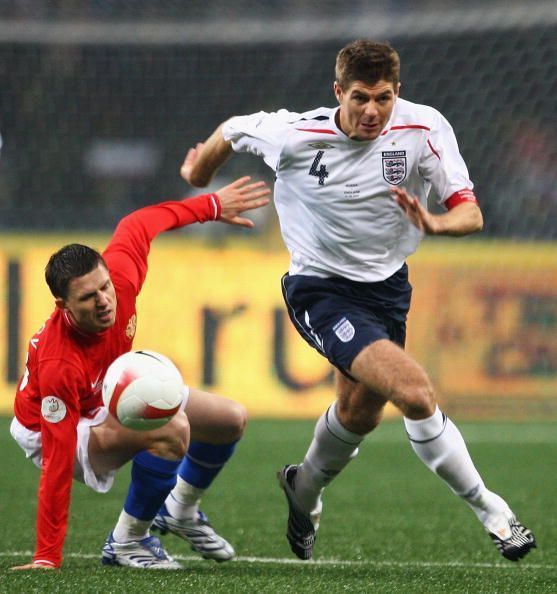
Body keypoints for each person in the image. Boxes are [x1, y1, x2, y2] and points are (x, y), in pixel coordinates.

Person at [179, 40, 537, 562]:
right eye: (361, 98)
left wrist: (436, 222)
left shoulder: (424, 129)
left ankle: (302, 491)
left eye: (384, 98)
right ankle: (494, 512)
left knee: (359, 413)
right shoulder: (295, 135)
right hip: (319, 289)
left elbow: (471, 213)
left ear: (399, 93)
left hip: (388, 290)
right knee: (414, 391)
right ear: (338, 92)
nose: (373, 111)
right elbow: (233, 128)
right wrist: (197, 176)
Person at [10, 176, 270, 570]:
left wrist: (212, 206)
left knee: (229, 420)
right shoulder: (58, 364)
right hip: (55, 427)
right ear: (62, 304)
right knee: (174, 429)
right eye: (87, 297)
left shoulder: (121, 279)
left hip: (103, 391)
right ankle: (128, 542)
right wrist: (47, 556)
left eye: (104, 287)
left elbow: (140, 222)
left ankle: (179, 509)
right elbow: (58, 461)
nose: (104, 301)